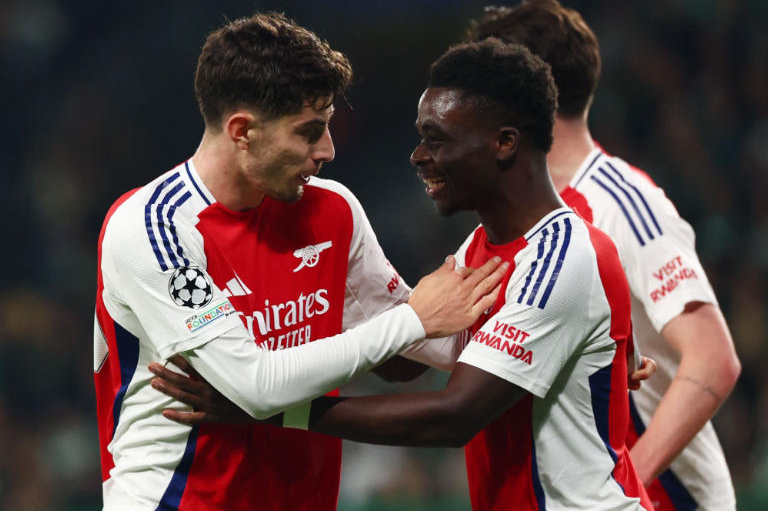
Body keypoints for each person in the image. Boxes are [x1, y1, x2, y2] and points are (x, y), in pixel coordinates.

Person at [151, 38, 655, 510]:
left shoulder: (562, 257)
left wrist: (270, 408)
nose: (418, 156)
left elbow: (453, 416)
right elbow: (418, 352)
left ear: (504, 143)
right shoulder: (482, 249)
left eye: (436, 139)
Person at [93, 12, 506, 510]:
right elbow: (253, 387)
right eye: (309, 132)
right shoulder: (153, 228)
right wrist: (413, 319)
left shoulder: (331, 210)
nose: (327, 150)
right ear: (243, 131)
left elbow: (425, 346)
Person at [465, 0, 741, 510]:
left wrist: (625, 485)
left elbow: (713, 360)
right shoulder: (516, 212)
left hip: (665, 500)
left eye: (479, 88)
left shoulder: (624, 204)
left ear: (521, 91)